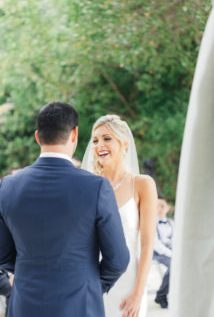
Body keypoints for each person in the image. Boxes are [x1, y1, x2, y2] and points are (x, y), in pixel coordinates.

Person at [0, 102, 130, 317]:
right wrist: (92, 285)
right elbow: (118, 259)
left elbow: (3, 254)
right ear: (74, 134)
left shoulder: (7, 187)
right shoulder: (96, 187)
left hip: (26, 304)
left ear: (37, 137)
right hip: (81, 305)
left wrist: (30, 271)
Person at [82, 115, 158, 317]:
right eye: (95, 140)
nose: (99, 145)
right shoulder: (88, 185)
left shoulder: (142, 184)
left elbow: (148, 244)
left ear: (124, 143)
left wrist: (138, 292)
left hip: (129, 282)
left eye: (107, 138)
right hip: (94, 279)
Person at [153, 198, 174, 309]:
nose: (160, 209)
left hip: (172, 252)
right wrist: (172, 254)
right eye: (158, 206)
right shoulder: (152, 223)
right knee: (173, 266)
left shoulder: (171, 223)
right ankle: (161, 295)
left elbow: (176, 239)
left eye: (163, 206)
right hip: (159, 253)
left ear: (167, 208)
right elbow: (156, 245)